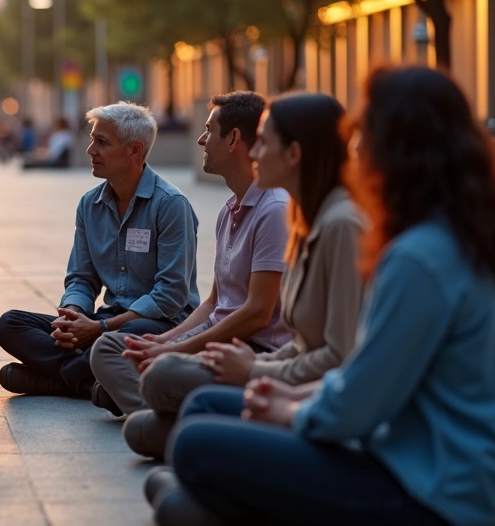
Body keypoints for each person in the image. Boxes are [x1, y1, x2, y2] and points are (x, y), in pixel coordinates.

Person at [155, 66, 495, 526]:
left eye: (363, 133)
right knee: (196, 436)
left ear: (398, 149)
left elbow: (362, 398)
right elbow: (371, 375)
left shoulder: (419, 257)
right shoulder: (453, 237)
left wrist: (290, 409)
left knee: (193, 449)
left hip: (432, 490)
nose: (354, 148)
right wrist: (289, 392)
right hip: (426, 463)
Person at [109, 93, 362, 460]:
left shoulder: (336, 224)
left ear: (294, 154)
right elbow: (298, 342)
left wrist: (253, 371)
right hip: (273, 372)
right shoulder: (303, 219)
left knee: (162, 389)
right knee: (141, 425)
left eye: (265, 143)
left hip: (303, 394)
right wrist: (172, 347)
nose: (255, 153)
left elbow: (339, 359)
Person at [88, 92, 288, 426]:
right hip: (214, 340)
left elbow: (257, 314)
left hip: (248, 352)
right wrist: (164, 341)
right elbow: (213, 303)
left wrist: (174, 350)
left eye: (209, 130)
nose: (201, 139)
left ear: (233, 139)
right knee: (108, 348)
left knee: (154, 382)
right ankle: (171, 412)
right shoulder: (229, 210)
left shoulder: (274, 210)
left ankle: (162, 413)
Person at [0, 102, 200, 397]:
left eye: (101, 142)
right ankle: (86, 379)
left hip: (158, 325)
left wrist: (101, 328)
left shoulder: (170, 205)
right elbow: (81, 278)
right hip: (105, 321)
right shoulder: (89, 204)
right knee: (11, 324)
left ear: (134, 150)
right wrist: (73, 315)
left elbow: (170, 296)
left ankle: (58, 380)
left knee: (129, 335)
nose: (91, 150)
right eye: (92, 140)